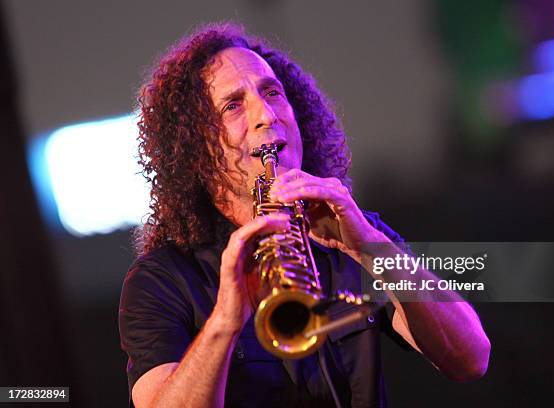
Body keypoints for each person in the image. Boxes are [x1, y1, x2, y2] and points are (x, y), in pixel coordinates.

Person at [118, 23, 490, 408]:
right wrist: (226, 320)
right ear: (195, 148)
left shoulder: (354, 232)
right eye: (233, 105)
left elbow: (471, 357)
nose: (266, 114)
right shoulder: (162, 280)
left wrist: (369, 246)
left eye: (272, 92)